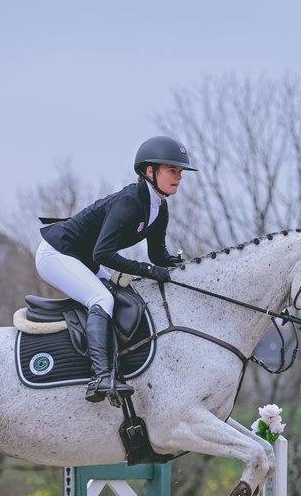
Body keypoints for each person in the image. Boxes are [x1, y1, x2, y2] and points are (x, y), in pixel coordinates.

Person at [35, 135, 195, 401]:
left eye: (180, 172)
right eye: (172, 170)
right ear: (149, 171)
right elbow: (104, 253)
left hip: (84, 259)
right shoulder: (130, 202)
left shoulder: (159, 207)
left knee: (126, 298)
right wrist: (147, 270)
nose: (178, 177)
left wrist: (186, 267)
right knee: (101, 298)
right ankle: (99, 376)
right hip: (57, 254)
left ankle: (119, 366)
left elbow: (158, 256)